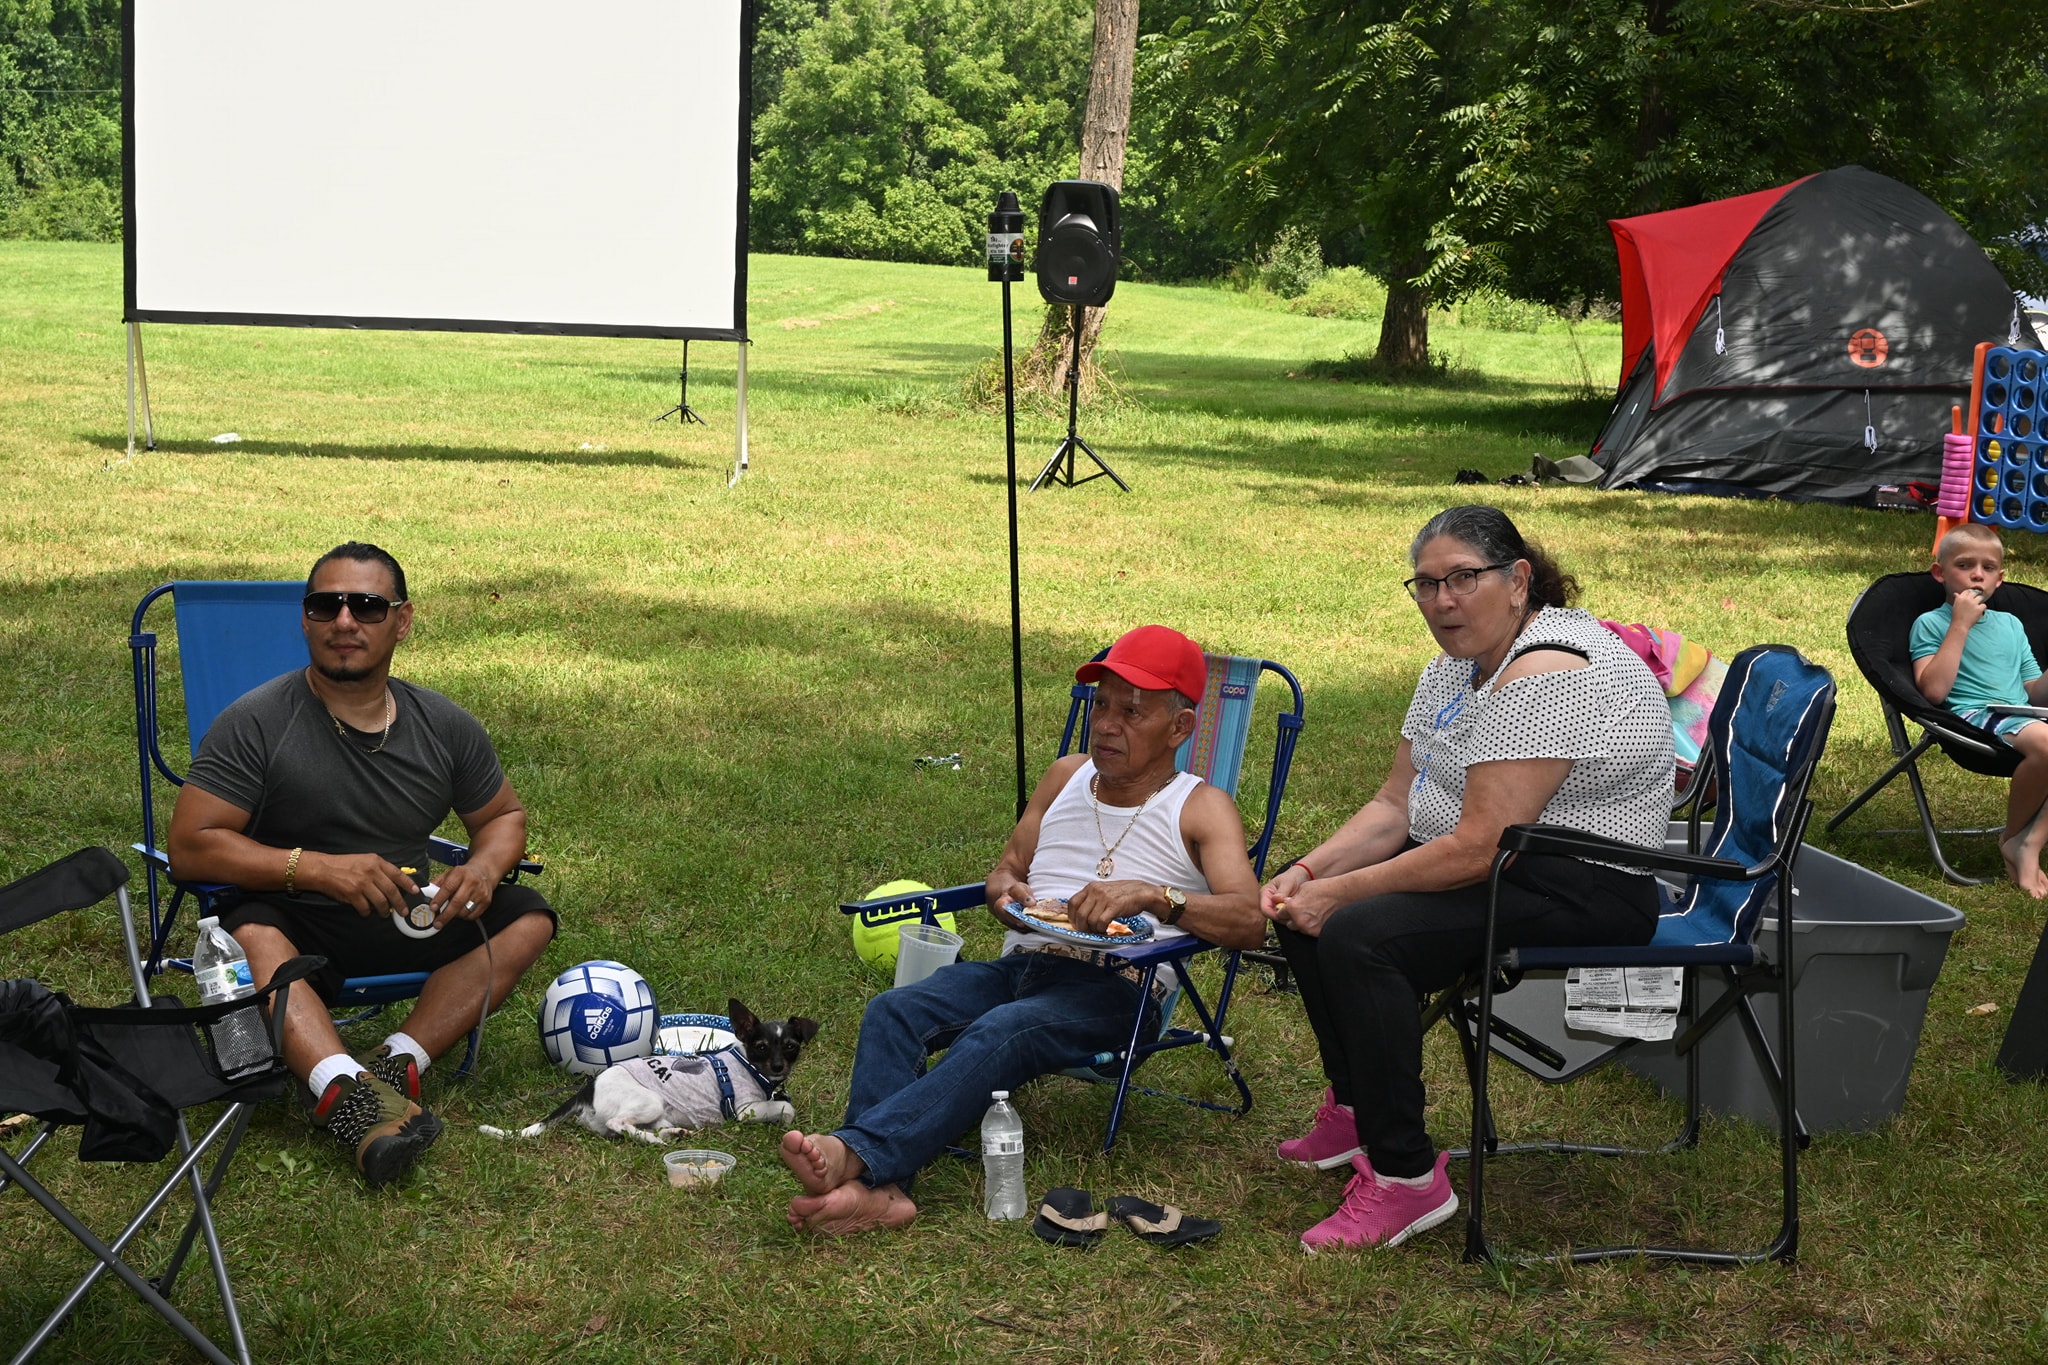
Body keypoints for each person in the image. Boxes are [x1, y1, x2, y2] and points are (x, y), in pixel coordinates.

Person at [1260, 505, 1673, 1252]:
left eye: (1463, 579)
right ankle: (1356, 1109)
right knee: (1304, 909)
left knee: (1358, 934)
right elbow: (1394, 804)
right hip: (1508, 861)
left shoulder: (1550, 670)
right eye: (1425, 584)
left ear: (1518, 580)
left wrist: (1340, 893)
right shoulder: (1456, 664)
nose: (1442, 601)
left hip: (1586, 883)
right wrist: (1308, 871)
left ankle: (1407, 1177)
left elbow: (1479, 847)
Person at [777, 625, 1264, 1235]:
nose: (1108, 724)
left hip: (1117, 987)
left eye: (1131, 712)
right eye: (1102, 705)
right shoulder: (1064, 776)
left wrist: (1156, 895)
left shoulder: (1199, 806)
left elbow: (1249, 921)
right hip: (1025, 963)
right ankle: (886, 1192)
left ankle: (857, 1156)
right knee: (894, 1010)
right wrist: (1005, 893)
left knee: (1001, 1031)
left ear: (1180, 728)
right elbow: (1006, 872)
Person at [166, 542, 557, 1187]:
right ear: (306, 620)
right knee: (252, 933)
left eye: (367, 606)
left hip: (399, 911)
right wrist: (317, 869)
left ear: (401, 621)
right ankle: (347, 1097)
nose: (345, 621)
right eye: (327, 605)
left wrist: (485, 869)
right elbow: (192, 843)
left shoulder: (442, 725)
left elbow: (502, 818)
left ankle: (395, 1061)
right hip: (292, 914)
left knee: (528, 917)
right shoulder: (257, 722)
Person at [1911, 522, 2048, 896]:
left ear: (1999, 579)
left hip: (2023, 714)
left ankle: (2029, 842)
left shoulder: (2010, 624)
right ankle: (2014, 839)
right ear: (1940, 573)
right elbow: (1934, 691)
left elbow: (2034, 693)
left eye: (1988, 568)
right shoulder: (1932, 623)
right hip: (1975, 714)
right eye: (1965, 565)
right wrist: (1959, 625)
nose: (1977, 574)